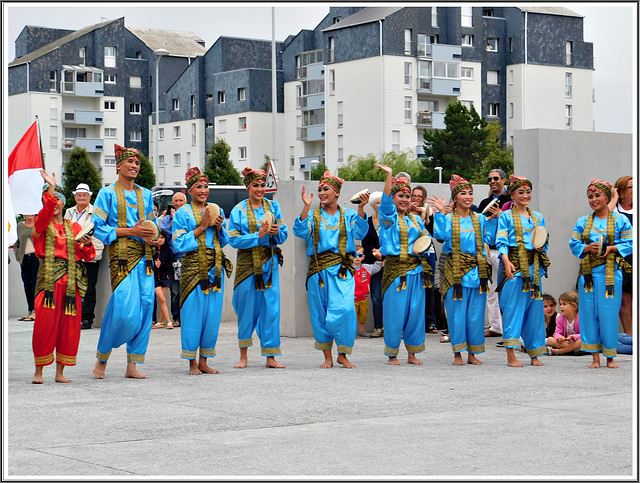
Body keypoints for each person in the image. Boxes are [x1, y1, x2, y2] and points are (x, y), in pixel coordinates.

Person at [92, 144, 158, 379]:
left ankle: (133, 365)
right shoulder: (107, 193)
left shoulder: (146, 194)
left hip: (145, 258)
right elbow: (98, 229)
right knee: (122, 310)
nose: (134, 166)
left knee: (146, 307)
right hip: (121, 258)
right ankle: (103, 357)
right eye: (130, 162)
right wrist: (131, 231)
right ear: (118, 165)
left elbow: (152, 226)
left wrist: (154, 238)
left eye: (138, 163)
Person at [293, 171, 369, 368]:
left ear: (336, 193)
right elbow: (300, 231)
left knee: (345, 309)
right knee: (320, 313)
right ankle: (328, 357)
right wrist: (306, 206)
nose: (321, 193)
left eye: (325, 189)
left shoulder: (349, 214)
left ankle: (343, 353)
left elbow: (361, 232)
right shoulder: (313, 215)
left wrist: (361, 207)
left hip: (342, 271)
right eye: (319, 189)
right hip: (318, 272)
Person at [31, 169, 96, 383]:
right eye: (51, 198)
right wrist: (50, 186)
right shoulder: (41, 225)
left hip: (71, 283)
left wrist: (87, 246)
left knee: (69, 328)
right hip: (49, 282)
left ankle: (60, 373)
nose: (55, 202)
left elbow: (85, 254)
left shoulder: (73, 226)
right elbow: (46, 211)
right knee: (44, 326)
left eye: (58, 198)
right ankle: (39, 372)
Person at [428, 174, 499, 365]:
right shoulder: (449, 218)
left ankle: (473, 353)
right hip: (456, 271)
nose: (468, 196)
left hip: (477, 272)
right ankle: (458, 353)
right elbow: (440, 235)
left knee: (475, 315)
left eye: (470, 193)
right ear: (455, 198)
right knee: (457, 314)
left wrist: (495, 219)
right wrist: (441, 213)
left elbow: (489, 239)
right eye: (463, 193)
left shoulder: (480, 219)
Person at [172, 167, 232, 375]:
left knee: (212, 316)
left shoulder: (217, 210)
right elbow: (178, 244)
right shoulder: (183, 213)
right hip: (193, 269)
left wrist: (219, 228)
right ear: (190, 190)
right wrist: (202, 226)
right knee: (193, 315)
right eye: (199, 186)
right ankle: (192, 363)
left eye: (206, 186)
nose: (203, 190)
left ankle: (205, 360)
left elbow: (225, 241)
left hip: (214, 269)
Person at [228, 167, 288, 369]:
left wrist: (277, 232)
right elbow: (233, 239)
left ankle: (270, 356)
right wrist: (258, 236)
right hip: (247, 265)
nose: (260, 189)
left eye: (263, 185)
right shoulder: (239, 209)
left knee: (271, 309)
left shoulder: (273, 207)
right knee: (246, 309)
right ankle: (243, 355)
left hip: (269, 265)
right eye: (256, 185)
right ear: (248, 187)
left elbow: (284, 233)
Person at [569, 179, 632, 369]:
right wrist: (587, 247)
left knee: (609, 314)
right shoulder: (583, 221)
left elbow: (630, 243)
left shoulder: (620, 220)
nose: (594, 199)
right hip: (588, 275)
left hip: (611, 275)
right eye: (590, 196)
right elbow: (574, 243)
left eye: (597, 195)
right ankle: (594, 357)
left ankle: (610, 357)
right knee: (589, 314)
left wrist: (611, 248)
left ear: (607, 197)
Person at [375, 163, 432, 365]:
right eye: (400, 195)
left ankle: (412, 353)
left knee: (415, 314)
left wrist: (422, 248)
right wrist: (390, 176)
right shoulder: (388, 219)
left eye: (408, 196)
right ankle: (392, 354)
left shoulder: (415, 221)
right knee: (395, 313)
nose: (405, 199)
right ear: (393, 198)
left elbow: (426, 240)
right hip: (395, 272)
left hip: (416, 271)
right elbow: (385, 205)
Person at [496, 175, 550, 367]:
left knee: (534, 312)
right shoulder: (506, 216)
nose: (525, 195)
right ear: (512, 194)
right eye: (521, 192)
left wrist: (541, 247)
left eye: (528, 191)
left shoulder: (537, 217)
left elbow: (544, 239)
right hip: (515, 266)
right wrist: (506, 261)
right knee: (513, 309)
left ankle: (534, 354)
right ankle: (511, 354)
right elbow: (501, 241)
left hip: (534, 268)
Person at [476, 169, 511, 340]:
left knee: (505, 289)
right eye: (490, 179)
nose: (492, 181)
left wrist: (501, 215)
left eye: (496, 178)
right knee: (490, 290)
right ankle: (496, 326)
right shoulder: (485, 202)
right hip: (487, 249)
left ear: (503, 180)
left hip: (504, 250)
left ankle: (509, 328)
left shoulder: (510, 200)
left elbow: (518, 220)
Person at [64, 183, 104, 330]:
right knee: (71, 286)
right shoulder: (69, 212)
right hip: (72, 255)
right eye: (79, 195)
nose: (81, 198)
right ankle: (72, 315)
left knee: (89, 287)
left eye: (84, 195)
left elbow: (100, 232)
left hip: (90, 253)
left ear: (89, 197)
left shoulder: (96, 212)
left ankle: (87, 318)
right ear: (75, 197)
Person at [608, 176, 633, 336]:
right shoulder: (614, 210)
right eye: (631, 187)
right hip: (621, 258)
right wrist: (614, 197)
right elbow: (600, 219)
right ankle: (630, 338)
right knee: (624, 299)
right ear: (622, 191)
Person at [411, 185, 437, 333]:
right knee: (414, 288)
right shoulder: (405, 211)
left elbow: (433, 230)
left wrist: (422, 212)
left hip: (428, 253)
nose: (415, 199)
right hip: (411, 253)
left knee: (429, 287)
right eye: (413, 195)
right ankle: (416, 321)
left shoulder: (427, 212)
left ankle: (431, 321)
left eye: (418, 196)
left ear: (424, 199)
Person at [160, 191, 188, 328]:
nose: (178, 203)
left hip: (188, 257)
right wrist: (173, 221)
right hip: (174, 258)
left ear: (186, 202)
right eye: (175, 201)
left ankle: (188, 317)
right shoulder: (166, 219)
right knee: (175, 290)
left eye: (181, 200)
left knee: (189, 288)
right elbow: (164, 235)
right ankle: (176, 317)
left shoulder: (190, 215)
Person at [361, 191, 384, 338]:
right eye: (377, 202)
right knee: (376, 296)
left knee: (392, 297)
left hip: (390, 262)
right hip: (373, 264)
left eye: (383, 202)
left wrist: (384, 253)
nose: (380, 205)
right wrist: (374, 253)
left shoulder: (391, 221)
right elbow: (364, 242)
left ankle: (395, 327)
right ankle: (378, 327)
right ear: (372, 205)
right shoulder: (367, 222)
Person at [353, 245, 383, 337]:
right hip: (351, 298)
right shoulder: (349, 269)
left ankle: (362, 330)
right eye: (355, 255)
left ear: (363, 257)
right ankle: (350, 331)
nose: (357, 257)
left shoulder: (367, 268)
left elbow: (376, 268)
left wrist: (378, 259)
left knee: (363, 315)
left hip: (364, 298)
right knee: (351, 316)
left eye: (360, 255)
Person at [13, 214, 38, 321]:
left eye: (32, 213)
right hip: (24, 258)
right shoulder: (19, 226)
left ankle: (36, 311)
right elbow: (16, 242)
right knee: (27, 284)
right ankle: (29, 310)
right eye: (27, 214)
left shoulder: (38, 225)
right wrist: (18, 256)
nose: (30, 216)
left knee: (35, 285)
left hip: (36, 257)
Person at [151, 229, 175, 329]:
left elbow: (170, 265)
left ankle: (161, 322)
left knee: (162, 300)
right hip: (155, 278)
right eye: (158, 237)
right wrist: (155, 265)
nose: (160, 240)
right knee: (162, 299)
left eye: (162, 237)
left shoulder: (168, 250)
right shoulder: (152, 250)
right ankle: (169, 321)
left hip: (165, 277)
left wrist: (161, 264)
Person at [546, 291, 582, 355]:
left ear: (574, 306)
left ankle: (558, 351)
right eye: (560, 304)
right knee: (550, 340)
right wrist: (559, 337)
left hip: (577, 341)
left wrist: (573, 337)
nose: (561, 306)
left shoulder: (580, 318)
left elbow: (584, 334)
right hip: (567, 343)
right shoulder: (560, 318)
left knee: (582, 341)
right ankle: (573, 350)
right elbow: (556, 332)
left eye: (564, 304)